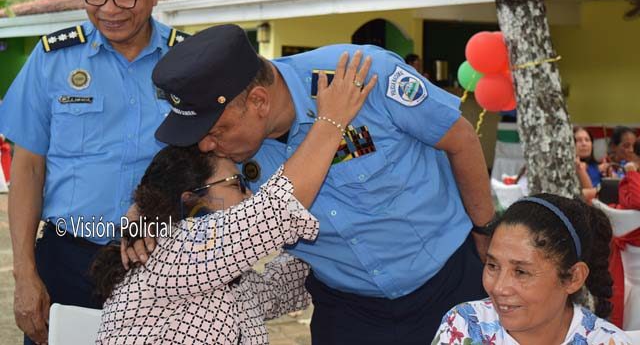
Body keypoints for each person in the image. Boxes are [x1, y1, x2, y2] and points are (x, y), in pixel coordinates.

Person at [148, 24, 496, 344]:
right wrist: (142, 217)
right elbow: (169, 184)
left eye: (216, 131)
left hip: (448, 284)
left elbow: (460, 139)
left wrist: (484, 229)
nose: (206, 146)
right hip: (348, 311)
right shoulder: (219, 144)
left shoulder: (364, 76)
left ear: (258, 101)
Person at [94, 54, 375, 344]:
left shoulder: (226, 270)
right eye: (238, 184)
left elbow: (281, 287)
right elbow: (275, 212)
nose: (250, 194)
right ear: (192, 201)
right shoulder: (173, 253)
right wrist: (331, 122)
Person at [0, 0, 188, 345]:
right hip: (68, 262)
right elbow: (28, 169)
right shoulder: (52, 60)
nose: (109, 9)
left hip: (166, 263)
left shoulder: (189, 63)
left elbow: (217, 163)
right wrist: (25, 273)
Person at [432, 193, 632, 345]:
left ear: (573, 277)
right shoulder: (464, 325)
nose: (499, 288)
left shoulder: (608, 341)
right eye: (492, 266)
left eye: (521, 272)